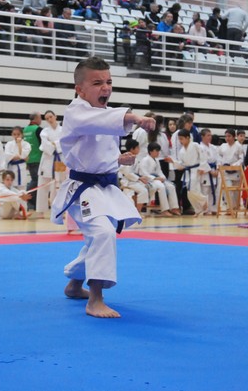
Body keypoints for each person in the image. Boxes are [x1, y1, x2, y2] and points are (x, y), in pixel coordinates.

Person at [50, 56, 155, 318]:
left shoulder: (102, 113)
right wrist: (136, 118)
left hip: (104, 188)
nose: (105, 87)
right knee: (103, 233)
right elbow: (100, 122)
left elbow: (95, 151)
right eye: (97, 83)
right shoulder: (76, 112)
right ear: (80, 89)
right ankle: (95, 299)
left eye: (109, 81)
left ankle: (74, 284)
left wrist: (118, 159)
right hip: (82, 190)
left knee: (98, 238)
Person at [38, 110, 66, 218]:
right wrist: (55, 144)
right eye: (47, 118)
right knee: (43, 186)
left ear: (55, 116)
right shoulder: (44, 131)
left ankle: (59, 211)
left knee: (59, 186)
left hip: (60, 159)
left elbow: (65, 141)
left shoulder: (63, 130)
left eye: (51, 117)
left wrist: (54, 143)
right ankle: (41, 211)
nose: (49, 119)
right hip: (47, 159)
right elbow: (44, 145)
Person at [24, 112, 43, 212]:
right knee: (36, 181)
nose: (41, 120)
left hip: (28, 159)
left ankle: (33, 204)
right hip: (37, 159)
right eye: (40, 118)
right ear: (36, 119)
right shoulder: (38, 129)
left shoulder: (25, 129)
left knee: (35, 180)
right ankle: (30, 202)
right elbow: (43, 144)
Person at [4, 126, 31, 191]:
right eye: (14, 134)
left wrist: (19, 144)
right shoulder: (9, 144)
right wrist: (19, 157)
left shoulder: (26, 144)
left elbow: (23, 155)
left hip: (21, 168)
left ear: (22, 134)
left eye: (18, 134)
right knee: (11, 188)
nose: (16, 136)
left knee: (22, 189)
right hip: (11, 168)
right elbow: (7, 155)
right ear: (12, 135)